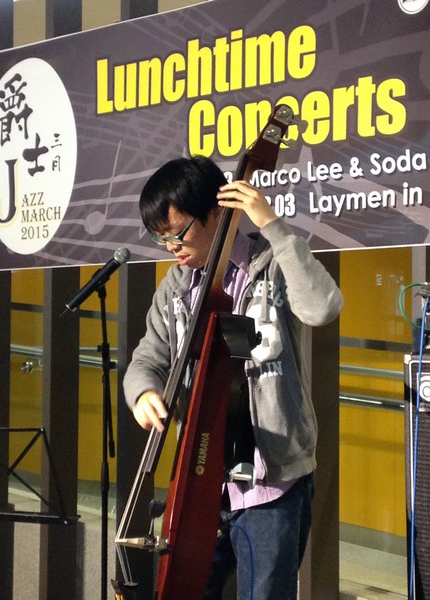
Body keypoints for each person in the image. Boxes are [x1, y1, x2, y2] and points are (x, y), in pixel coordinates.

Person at [123, 155, 343, 599]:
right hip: (202, 475)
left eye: (178, 232)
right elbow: (147, 358)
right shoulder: (174, 287)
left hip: (271, 481)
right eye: (159, 237)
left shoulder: (271, 262)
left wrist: (274, 226)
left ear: (217, 212)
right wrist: (143, 392)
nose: (170, 246)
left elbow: (322, 308)